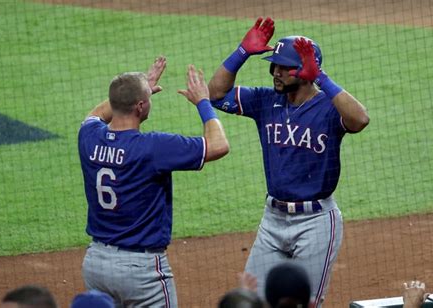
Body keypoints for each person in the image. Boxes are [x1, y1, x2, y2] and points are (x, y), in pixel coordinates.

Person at [208, 17, 369, 307]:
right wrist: (241, 52)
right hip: (273, 220)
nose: (276, 73)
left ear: (306, 71)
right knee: (250, 299)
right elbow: (215, 94)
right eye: (274, 66)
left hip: (316, 222)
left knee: (304, 304)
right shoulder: (265, 101)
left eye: (284, 67)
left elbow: (360, 119)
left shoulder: (329, 109)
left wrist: (322, 77)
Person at [78, 57, 229, 307]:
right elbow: (219, 145)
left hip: (96, 264)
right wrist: (203, 102)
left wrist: (138, 88)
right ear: (140, 106)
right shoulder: (153, 147)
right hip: (140, 272)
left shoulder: (88, 137)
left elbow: (96, 114)